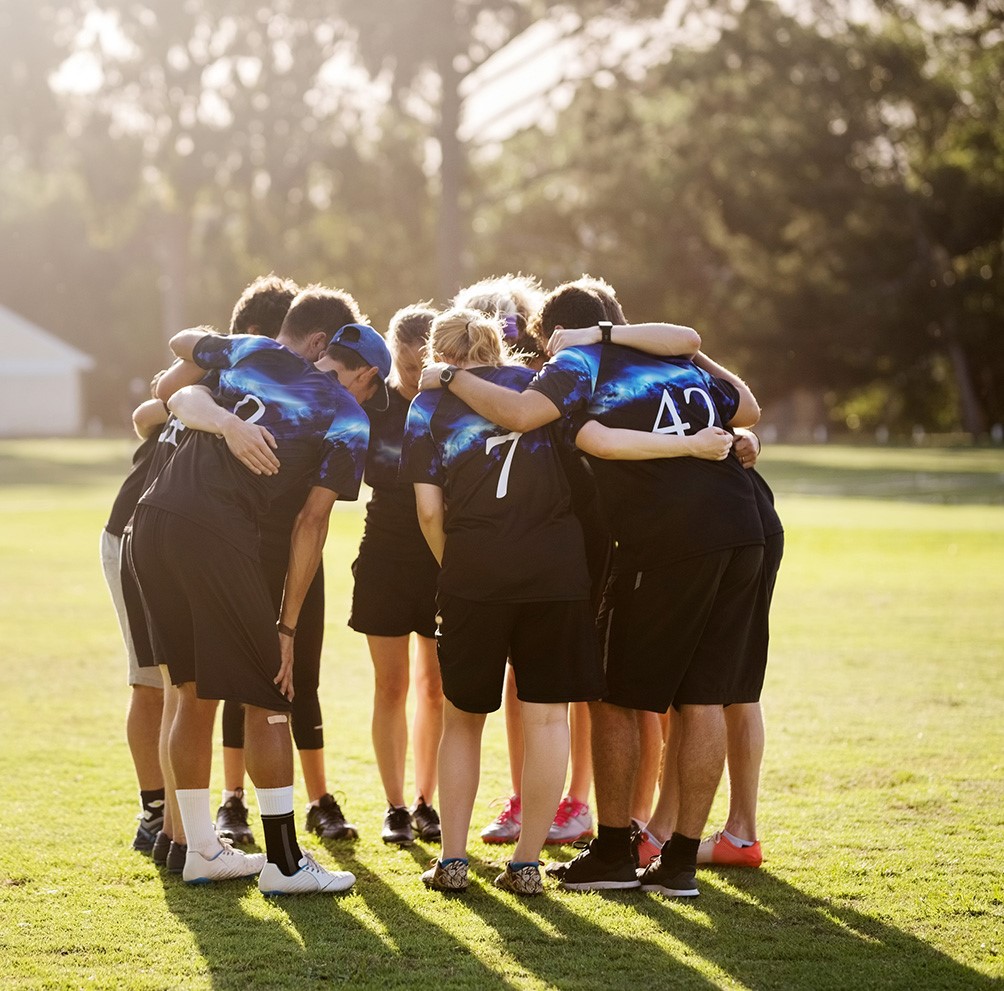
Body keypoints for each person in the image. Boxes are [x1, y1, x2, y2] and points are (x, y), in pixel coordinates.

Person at [419, 283, 763, 898]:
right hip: (739, 526)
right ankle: (670, 862)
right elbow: (746, 408)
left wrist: (445, 377)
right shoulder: (668, 357)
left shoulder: (573, 367)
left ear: (557, 333)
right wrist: (713, 438)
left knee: (603, 701)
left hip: (660, 540)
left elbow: (540, 425)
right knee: (703, 695)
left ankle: (598, 851)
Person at [131, 289, 388, 895]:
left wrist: (220, 418)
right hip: (215, 532)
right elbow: (311, 525)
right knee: (271, 693)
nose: (368, 401)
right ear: (365, 372)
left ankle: (199, 850)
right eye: (372, 388)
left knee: (190, 691)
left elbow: (178, 375)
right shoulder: (348, 415)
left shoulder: (249, 350)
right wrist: (288, 629)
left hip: (153, 521)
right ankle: (284, 864)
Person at [401, 308, 606, 896]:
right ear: (498, 348)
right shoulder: (543, 386)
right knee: (546, 718)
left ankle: (455, 860)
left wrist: (457, 566)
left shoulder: (429, 406)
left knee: (463, 722)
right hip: (555, 572)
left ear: (439, 352)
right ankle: (526, 864)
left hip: (475, 573)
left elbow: (428, 511)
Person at [212, 276, 361, 847]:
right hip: (242, 547)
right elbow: (161, 402)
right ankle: (232, 801)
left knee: (303, 673)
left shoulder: (335, 400)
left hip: (301, 551)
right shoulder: (240, 373)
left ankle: (319, 798)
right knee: (238, 676)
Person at [637, 430, 784, 869]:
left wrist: (749, 436)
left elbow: (744, 412)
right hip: (719, 523)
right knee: (721, 685)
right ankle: (728, 834)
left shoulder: (662, 362)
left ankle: (674, 834)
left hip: (732, 524)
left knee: (710, 686)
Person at [348, 303, 444, 845]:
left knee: (434, 689)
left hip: (440, 555)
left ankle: (429, 801)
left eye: (421, 364)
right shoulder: (374, 404)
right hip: (383, 553)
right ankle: (395, 806)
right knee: (391, 685)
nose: (413, 376)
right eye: (405, 365)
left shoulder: (451, 402)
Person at [100, 374, 169, 853]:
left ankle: (181, 816)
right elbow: (146, 415)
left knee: (180, 685)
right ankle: (156, 815)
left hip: (176, 538)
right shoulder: (217, 370)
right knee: (152, 681)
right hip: (132, 535)